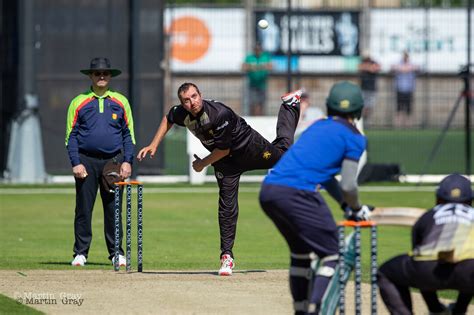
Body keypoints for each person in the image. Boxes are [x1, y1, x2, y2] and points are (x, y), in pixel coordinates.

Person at [137, 82, 300, 276]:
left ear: (201, 95)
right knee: (227, 207)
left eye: (194, 96)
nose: (192, 102)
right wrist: (154, 144)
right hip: (226, 164)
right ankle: (227, 257)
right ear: (182, 103)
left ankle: (290, 105)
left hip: (249, 148)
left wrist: (202, 164)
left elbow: (224, 149)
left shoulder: (218, 114)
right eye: (186, 100)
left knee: (283, 156)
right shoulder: (182, 113)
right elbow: (168, 118)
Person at [259, 81, 373, 314]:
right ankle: (314, 309)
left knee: (300, 253)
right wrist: (357, 208)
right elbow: (350, 185)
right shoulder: (355, 138)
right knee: (334, 253)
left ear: (330, 107)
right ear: (358, 110)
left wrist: (344, 204)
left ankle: (301, 309)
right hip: (298, 193)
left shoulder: (317, 127)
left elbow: (326, 177)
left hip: (269, 190)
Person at [65, 57, 136, 267]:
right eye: (97, 73)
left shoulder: (121, 101)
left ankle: (116, 253)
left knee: (114, 208)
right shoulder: (79, 102)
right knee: (84, 209)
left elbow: (128, 135)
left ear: (110, 76)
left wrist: (127, 161)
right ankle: (80, 253)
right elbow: (71, 136)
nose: (102, 76)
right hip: (86, 161)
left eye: (105, 73)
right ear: (91, 76)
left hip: (113, 162)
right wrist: (76, 162)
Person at [378, 174, 474, 315]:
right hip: (470, 269)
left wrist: (434, 307)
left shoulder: (430, 214)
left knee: (386, 272)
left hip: (428, 268)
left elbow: (419, 253)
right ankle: (458, 310)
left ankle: (434, 309)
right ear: (470, 201)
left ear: (438, 199)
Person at [242, 42, 273, 116]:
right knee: (252, 103)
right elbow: (244, 66)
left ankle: (260, 118)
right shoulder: (249, 57)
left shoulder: (265, 57)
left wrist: (256, 67)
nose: (257, 51)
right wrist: (257, 67)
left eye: (259, 50)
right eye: (256, 49)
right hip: (252, 84)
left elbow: (270, 66)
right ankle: (252, 118)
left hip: (262, 84)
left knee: (261, 104)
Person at [391, 51, 418, 127]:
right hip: (400, 88)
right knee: (399, 108)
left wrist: (406, 69)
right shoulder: (399, 63)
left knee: (409, 108)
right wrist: (403, 69)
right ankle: (398, 125)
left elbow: (416, 68)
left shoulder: (411, 64)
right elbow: (393, 67)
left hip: (409, 89)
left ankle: (408, 125)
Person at [358, 52, 381, 122]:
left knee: (370, 106)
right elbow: (360, 67)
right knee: (363, 106)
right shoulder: (362, 62)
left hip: (372, 89)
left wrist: (368, 67)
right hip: (363, 88)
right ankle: (361, 120)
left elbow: (376, 68)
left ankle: (366, 121)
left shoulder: (374, 62)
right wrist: (369, 67)